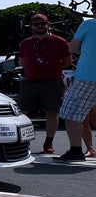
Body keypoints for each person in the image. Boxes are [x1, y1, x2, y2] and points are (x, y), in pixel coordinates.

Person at [18, 13, 72, 154]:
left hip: (53, 82)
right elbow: (23, 62)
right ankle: (22, 141)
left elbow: (68, 61)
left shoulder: (60, 41)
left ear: (48, 25)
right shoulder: (26, 43)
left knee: (52, 112)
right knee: (22, 112)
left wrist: (54, 68)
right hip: (30, 82)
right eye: (36, 24)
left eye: (43, 24)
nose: (40, 26)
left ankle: (48, 142)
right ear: (31, 26)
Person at [57, 17, 96, 161]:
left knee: (71, 113)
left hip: (88, 76)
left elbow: (72, 48)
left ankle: (75, 150)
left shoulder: (89, 24)